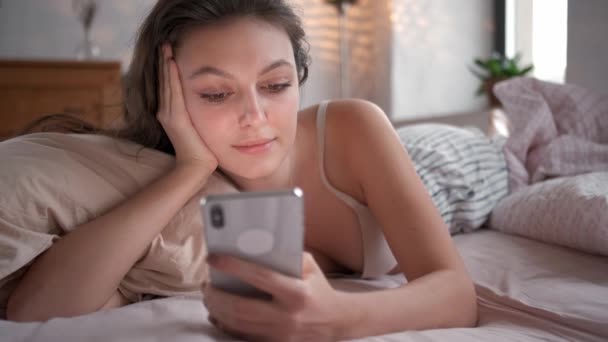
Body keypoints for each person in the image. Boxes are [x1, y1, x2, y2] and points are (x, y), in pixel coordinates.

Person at [5, 0, 500, 340]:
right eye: (217, 94)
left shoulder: (354, 127)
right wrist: (190, 169)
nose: (255, 117)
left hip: (448, 173)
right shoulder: (165, 177)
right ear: (167, 98)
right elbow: (34, 311)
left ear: (299, 79)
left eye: (276, 84)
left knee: (500, 147)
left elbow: (456, 293)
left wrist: (337, 318)